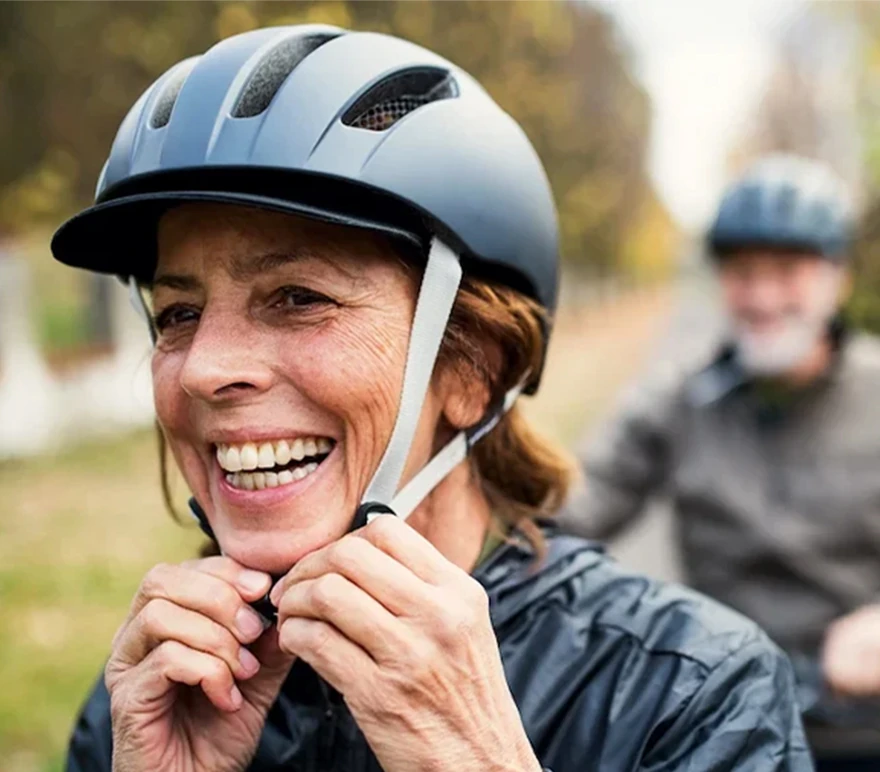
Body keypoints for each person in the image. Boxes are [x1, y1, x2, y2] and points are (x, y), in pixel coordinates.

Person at [54, 26, 810, 772]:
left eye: (297, 297)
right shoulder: (153, 687)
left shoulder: (695, 698)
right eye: (179, 314)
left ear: (475, 367)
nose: (201, 371)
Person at [558, 154, 880, 771]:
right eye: (742, 271)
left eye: (787, 270)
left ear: (836, 276)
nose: (761, 295)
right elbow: (571, 507)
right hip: (728, 720)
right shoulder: (679, 400)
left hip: (861, 728)